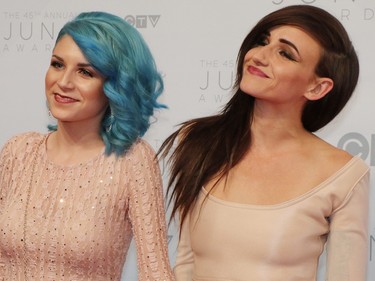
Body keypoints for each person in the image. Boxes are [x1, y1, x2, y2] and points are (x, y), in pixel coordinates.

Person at [159, 5, 370, 281]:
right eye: (263, 41)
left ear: (317, 88)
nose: (259, 56)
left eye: (285, 53)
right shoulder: (199, 142)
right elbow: (186, 262)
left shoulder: (344, 174)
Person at [0, 11, 175, 281]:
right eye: (58, 64)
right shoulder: (18, 151)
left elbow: (156, 272)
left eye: (85, 72)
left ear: (115, 86)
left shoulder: (131, 161)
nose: (64, 82)